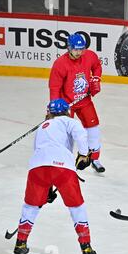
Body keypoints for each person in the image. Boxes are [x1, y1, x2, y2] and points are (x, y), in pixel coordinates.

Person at [12, 99, 97, 254]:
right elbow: (81, 134)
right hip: (62, 168)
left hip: (37, 169)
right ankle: (86, 248)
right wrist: (84, 154)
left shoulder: (42, 127)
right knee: (76, 207)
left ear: (49, 112)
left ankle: (20, 243)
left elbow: (41, 152)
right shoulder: (69, 120)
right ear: (66, 112)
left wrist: (47, 187)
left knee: (30, 206)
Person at [49, 32, 105, 173]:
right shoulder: (60, 64)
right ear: (69, 48)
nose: (79, 52)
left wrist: (96, 79)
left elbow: (97, 66)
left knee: (93, 128)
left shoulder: (89, 56)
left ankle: (94, 158)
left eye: (81, 49)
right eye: (76, 49)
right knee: (67, 134)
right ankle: (65, 159)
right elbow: (54, 86)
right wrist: (55, 105)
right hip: (67, 104)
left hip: (85, 100)